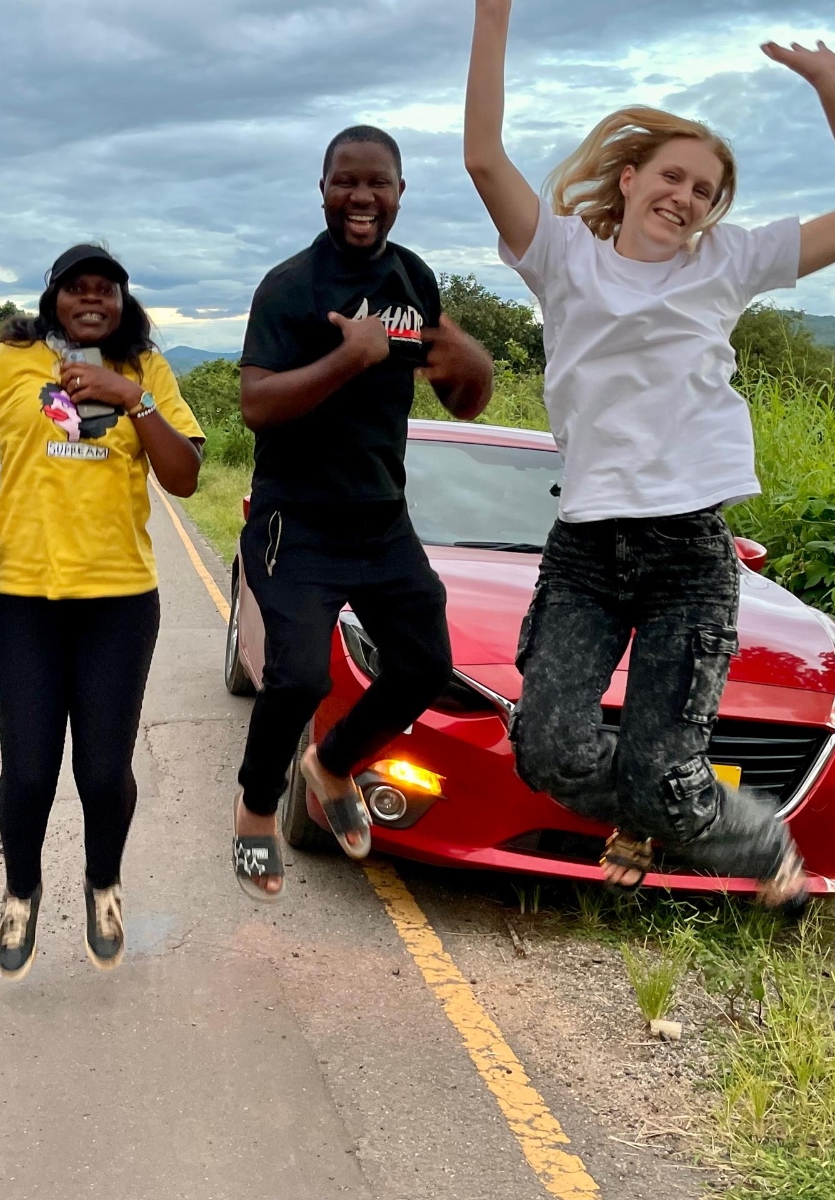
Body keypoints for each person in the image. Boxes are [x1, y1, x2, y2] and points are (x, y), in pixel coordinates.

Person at [464, 0, 835, 905]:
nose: (687, 198)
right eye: (673, 176)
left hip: (688, 555)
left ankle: (719, 827)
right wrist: (492, 14)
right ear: (627, 178)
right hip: (585, 550)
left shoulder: (726, 264)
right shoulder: (558, 257)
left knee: (673, 771)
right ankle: (658, 808)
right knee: (547, 750)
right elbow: (481, 156)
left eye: (706, 191)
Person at [231, 126, 495, 901]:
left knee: (424, 667)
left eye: (377, 183)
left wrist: (472, 361)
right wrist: (350, 357)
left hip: (381, 520)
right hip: (296, 522)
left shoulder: (415, 280)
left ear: (400, 193)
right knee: (298, 679)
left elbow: (463, 397)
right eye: (346, 182)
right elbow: (255, 405)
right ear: (322, 189)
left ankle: (333, 762)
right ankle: (254, 811)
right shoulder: (290, 287)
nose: (361, 198)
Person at [0, 244, 205, 981]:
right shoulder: (7, 364)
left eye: (105, 289)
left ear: (123, 301)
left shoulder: (146, 370)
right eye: (75, 288)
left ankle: (103, 885)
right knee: (28, 771)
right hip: (21, 602)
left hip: (118, 601)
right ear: (52, 297)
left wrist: (130, 397)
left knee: (104, 768)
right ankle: (21, 891)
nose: (91, 299)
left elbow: (185, 477)